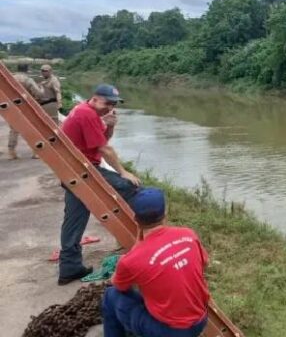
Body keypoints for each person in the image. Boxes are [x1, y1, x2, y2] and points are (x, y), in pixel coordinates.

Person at [58, 84, 141, 285]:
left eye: (114, 104)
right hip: (84, 170)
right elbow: (105, 149)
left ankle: (69, 267)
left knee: (74, 219)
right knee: (133, 188)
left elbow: (101, 140)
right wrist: (123, 172)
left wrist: (110, 126)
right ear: (94, 99)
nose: (110, 107)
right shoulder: (87, 114)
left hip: (73, 170)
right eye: (107, 103)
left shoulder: (88, 111)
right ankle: (140, 241)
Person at [102, 188, 209, 337]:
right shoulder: (188, 234)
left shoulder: (130, 261)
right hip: (200, 321)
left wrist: (136, 249)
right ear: (165, 213)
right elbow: (205, 264)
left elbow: (117, 284)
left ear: (135, 219)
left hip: (169, 332)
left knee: (111, 295)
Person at [8, 63, 44, 160]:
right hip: (26, 107)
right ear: (27, 69)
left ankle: (12, 152)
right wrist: (41, 88)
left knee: (14, 130)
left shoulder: (11, 78)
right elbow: (39, 94)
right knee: (32, 129)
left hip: (12, 107)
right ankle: (35, 152)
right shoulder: (28, 80)